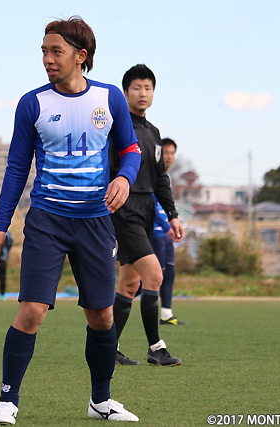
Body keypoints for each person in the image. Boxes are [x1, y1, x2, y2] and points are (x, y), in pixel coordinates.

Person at [0, 16, 142, 424]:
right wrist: (0, 226)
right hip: (47, 222)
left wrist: (124, 178)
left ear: (81, 56)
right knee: (32, 311)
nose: (47, 59)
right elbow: (17, 168)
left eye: (56, 51)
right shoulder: (32, 103)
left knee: (102, 316)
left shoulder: (109, 98)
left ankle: (101, 402)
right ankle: (7, 401)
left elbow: (131, 149)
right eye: (44, 51)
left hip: (95, 223)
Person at [109, 64, 184, 367]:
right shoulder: (116, 127)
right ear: (125, 92)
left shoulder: (154, 133)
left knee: (129, 285)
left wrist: (173, 215)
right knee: (154, 275)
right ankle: (156, 347)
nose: (143, 93)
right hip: (123, 211)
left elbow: (160, 179)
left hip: (146, 213)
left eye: (148, 88)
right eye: (137, 88)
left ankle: (108, 348)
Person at [155, 138, 187, 325]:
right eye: (165, 153)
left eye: (172, 153)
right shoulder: (152, 175)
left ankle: (166, 314)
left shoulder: (168, 177)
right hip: (155, 233)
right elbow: (150, 206)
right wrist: (167, 227)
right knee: (152, 277)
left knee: (170, 272)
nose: (169, 157)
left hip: (166, 233)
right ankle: (113, 306)